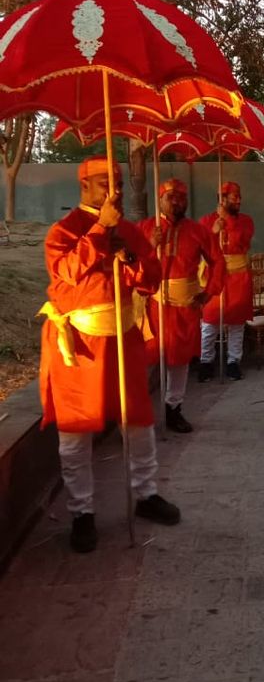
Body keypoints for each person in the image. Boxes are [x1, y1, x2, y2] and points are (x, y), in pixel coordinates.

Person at [38, 156, 180, 554]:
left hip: (123, 337)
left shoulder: (130, 231)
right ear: (84, 186)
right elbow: (65, 273)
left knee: (138, 422)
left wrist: (129, 258)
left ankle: (146, 494)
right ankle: (82, 512)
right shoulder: (62, 232)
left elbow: (152, 280)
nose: (113, 191)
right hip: (78, 345)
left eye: (117, 183)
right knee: (75, 434)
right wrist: (100, 231)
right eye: (105, 184)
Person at [139, 179, 225, 433]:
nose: (177, 202)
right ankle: (138, 415)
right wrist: (149, 246)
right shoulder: (144, 228)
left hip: (185, 307)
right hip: (152, 305)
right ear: (160, 199)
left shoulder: (198, 231)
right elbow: (126, 264)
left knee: (179, 361)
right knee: (146, 359)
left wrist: (209, 292)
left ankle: (173, 409)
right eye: (171, 197)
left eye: (181, 197)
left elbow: (217, 262)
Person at [198, 181, 254, 382]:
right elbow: (202, 246)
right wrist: (214, 230)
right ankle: (206, 362)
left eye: (239, 196)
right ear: (222, 199)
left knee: (236, 323)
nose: (239, 200)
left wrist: (227, 220)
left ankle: (233, 362)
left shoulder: (246, 221)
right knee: (210, 322)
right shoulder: (206, 220)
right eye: (234, 197)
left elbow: (242, 241)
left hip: (238, 276)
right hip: (215, 276)